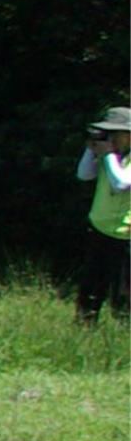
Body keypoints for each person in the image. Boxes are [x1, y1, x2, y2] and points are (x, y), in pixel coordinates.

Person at [84, 106, 131, 311]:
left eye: (115, 134)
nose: (110, 139)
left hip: (126, 235)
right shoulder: (110, 157)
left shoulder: (114, 158)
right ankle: (84, 330)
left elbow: (121, 184)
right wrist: (91, 150)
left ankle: (122, 337)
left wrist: (109, 155)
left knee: (123, 294)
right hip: (100, 229)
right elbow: (84, 174)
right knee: (91, 289)